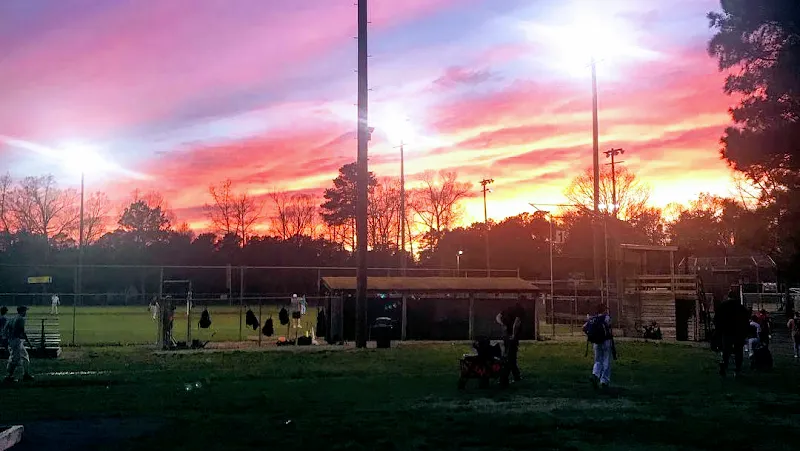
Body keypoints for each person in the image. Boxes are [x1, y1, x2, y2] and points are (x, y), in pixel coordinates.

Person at [714, 291, 750, 378]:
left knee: (726, 350)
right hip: (738, 332)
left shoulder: (722, 306)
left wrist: (719, 330)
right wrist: (745, 333)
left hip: (726, 332)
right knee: (738, 351)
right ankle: (737, 369)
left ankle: (724, 364)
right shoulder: (741, 308)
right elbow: (746, 321)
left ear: (728, 296)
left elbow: (717, 319)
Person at [583, 303, 616, 389]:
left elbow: (584, 327)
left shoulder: (593, 319)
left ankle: (595, 374)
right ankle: (604, 381)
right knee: (606, 360)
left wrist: (590, 335)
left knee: (597, 360)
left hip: (596, 342)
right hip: (606, 341)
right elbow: (609, 324)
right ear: (604, 310)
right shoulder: (606, 317)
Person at [495, 302, 525, 383]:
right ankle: (504, 379)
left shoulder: (508, 309)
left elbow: (498, 317)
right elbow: (516, 323)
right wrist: (514, 334)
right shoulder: (520, 310)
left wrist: (503, 325)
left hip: (506, 335)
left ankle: (516, 376)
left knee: (511, 357)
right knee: (510, 357)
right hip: (512, 337)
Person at [4, 306, 33, 382]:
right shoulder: (20, 319)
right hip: (16, 341)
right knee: (15, 359)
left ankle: (25, 374)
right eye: (25, 311)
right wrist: (29, 343)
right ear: (22, 311)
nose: (26, 313)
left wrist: (7, 338)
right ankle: (9, 376)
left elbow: (5, 329)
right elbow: (22, 332)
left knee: (24, 356)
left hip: (12, 340)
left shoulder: (12, 318)